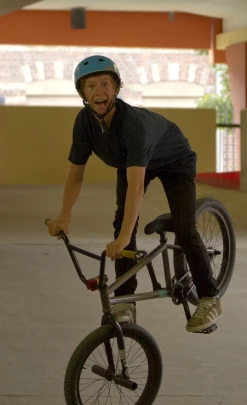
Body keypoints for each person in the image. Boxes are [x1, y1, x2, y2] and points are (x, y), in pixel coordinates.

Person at [46, 55, 223, 333]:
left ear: (116, 89)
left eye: (105, 83)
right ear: (82, 93)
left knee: (185, 228)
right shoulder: (84, 123)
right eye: (90, 86)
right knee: (122, 222)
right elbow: (76, 173)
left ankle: (210, 297)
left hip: (173, 159)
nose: (98, 91)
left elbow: (136, 187)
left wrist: (125, 239)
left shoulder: (132, 126)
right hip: (130, 161)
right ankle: (126, 300)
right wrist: (63, 217)